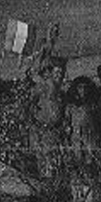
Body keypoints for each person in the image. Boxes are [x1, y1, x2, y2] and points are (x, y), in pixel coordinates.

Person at [29, 57, 67, 186]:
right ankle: (46, 186)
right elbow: (30, 106)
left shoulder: (61, 92)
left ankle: (51, 185)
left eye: (61, 73)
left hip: (54, 132)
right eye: (56, 73)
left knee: (53, 161)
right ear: (51, 73)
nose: (59, 76)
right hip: (41, 131)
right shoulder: (42, 88)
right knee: (43, 161)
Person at [64, 75, 98, 202]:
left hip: (89, 145)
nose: (82, 91)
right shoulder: (70, 107)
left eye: (85, 88)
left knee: (89, 177)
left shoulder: (92, 106)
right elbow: (65, 125)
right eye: (79, 88)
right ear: (75, 90)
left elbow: (96, 126)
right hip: (75, 144)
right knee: (75, 178)